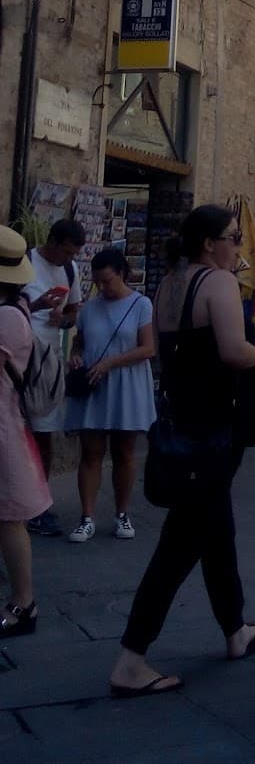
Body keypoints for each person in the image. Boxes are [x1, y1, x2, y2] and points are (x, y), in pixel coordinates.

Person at [109, 207, 255, 699]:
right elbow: (233, 352)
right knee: (181, 545)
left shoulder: (167, 286)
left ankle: (235, 630)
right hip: (214, 434)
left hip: (183, 429)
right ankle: (131, 659)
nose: (238, 247)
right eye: (232, 237)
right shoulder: (217, 283)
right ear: (208, 243)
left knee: (216, 531)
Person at [64, 248, 155, 543]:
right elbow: (80, 341)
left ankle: (122, 513)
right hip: (94, 382)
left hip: (125, 383)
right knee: (90, 452)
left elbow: (148, 348)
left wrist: (110, 363)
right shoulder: (90, 307)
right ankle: (87, 516)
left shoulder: (141, 304)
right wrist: (76, 355)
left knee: (124, 452)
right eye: (98, 282)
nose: (102, 288)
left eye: (107, 281)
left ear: (122, 273)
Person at [0, 228, 52, 638]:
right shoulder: (16, 307)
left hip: (3, 433)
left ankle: (24, 603)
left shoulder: (7, 318)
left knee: (9, 519)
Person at [21, 217, 85, 537]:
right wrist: (36, 305)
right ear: (54, 243)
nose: (70, 259)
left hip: (48, 363)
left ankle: (39, 505)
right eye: (67, 252)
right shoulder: (24, 263)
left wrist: (62, 319)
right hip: (18, 361)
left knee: (44, 435)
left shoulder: (71, 271)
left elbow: (74, 313)